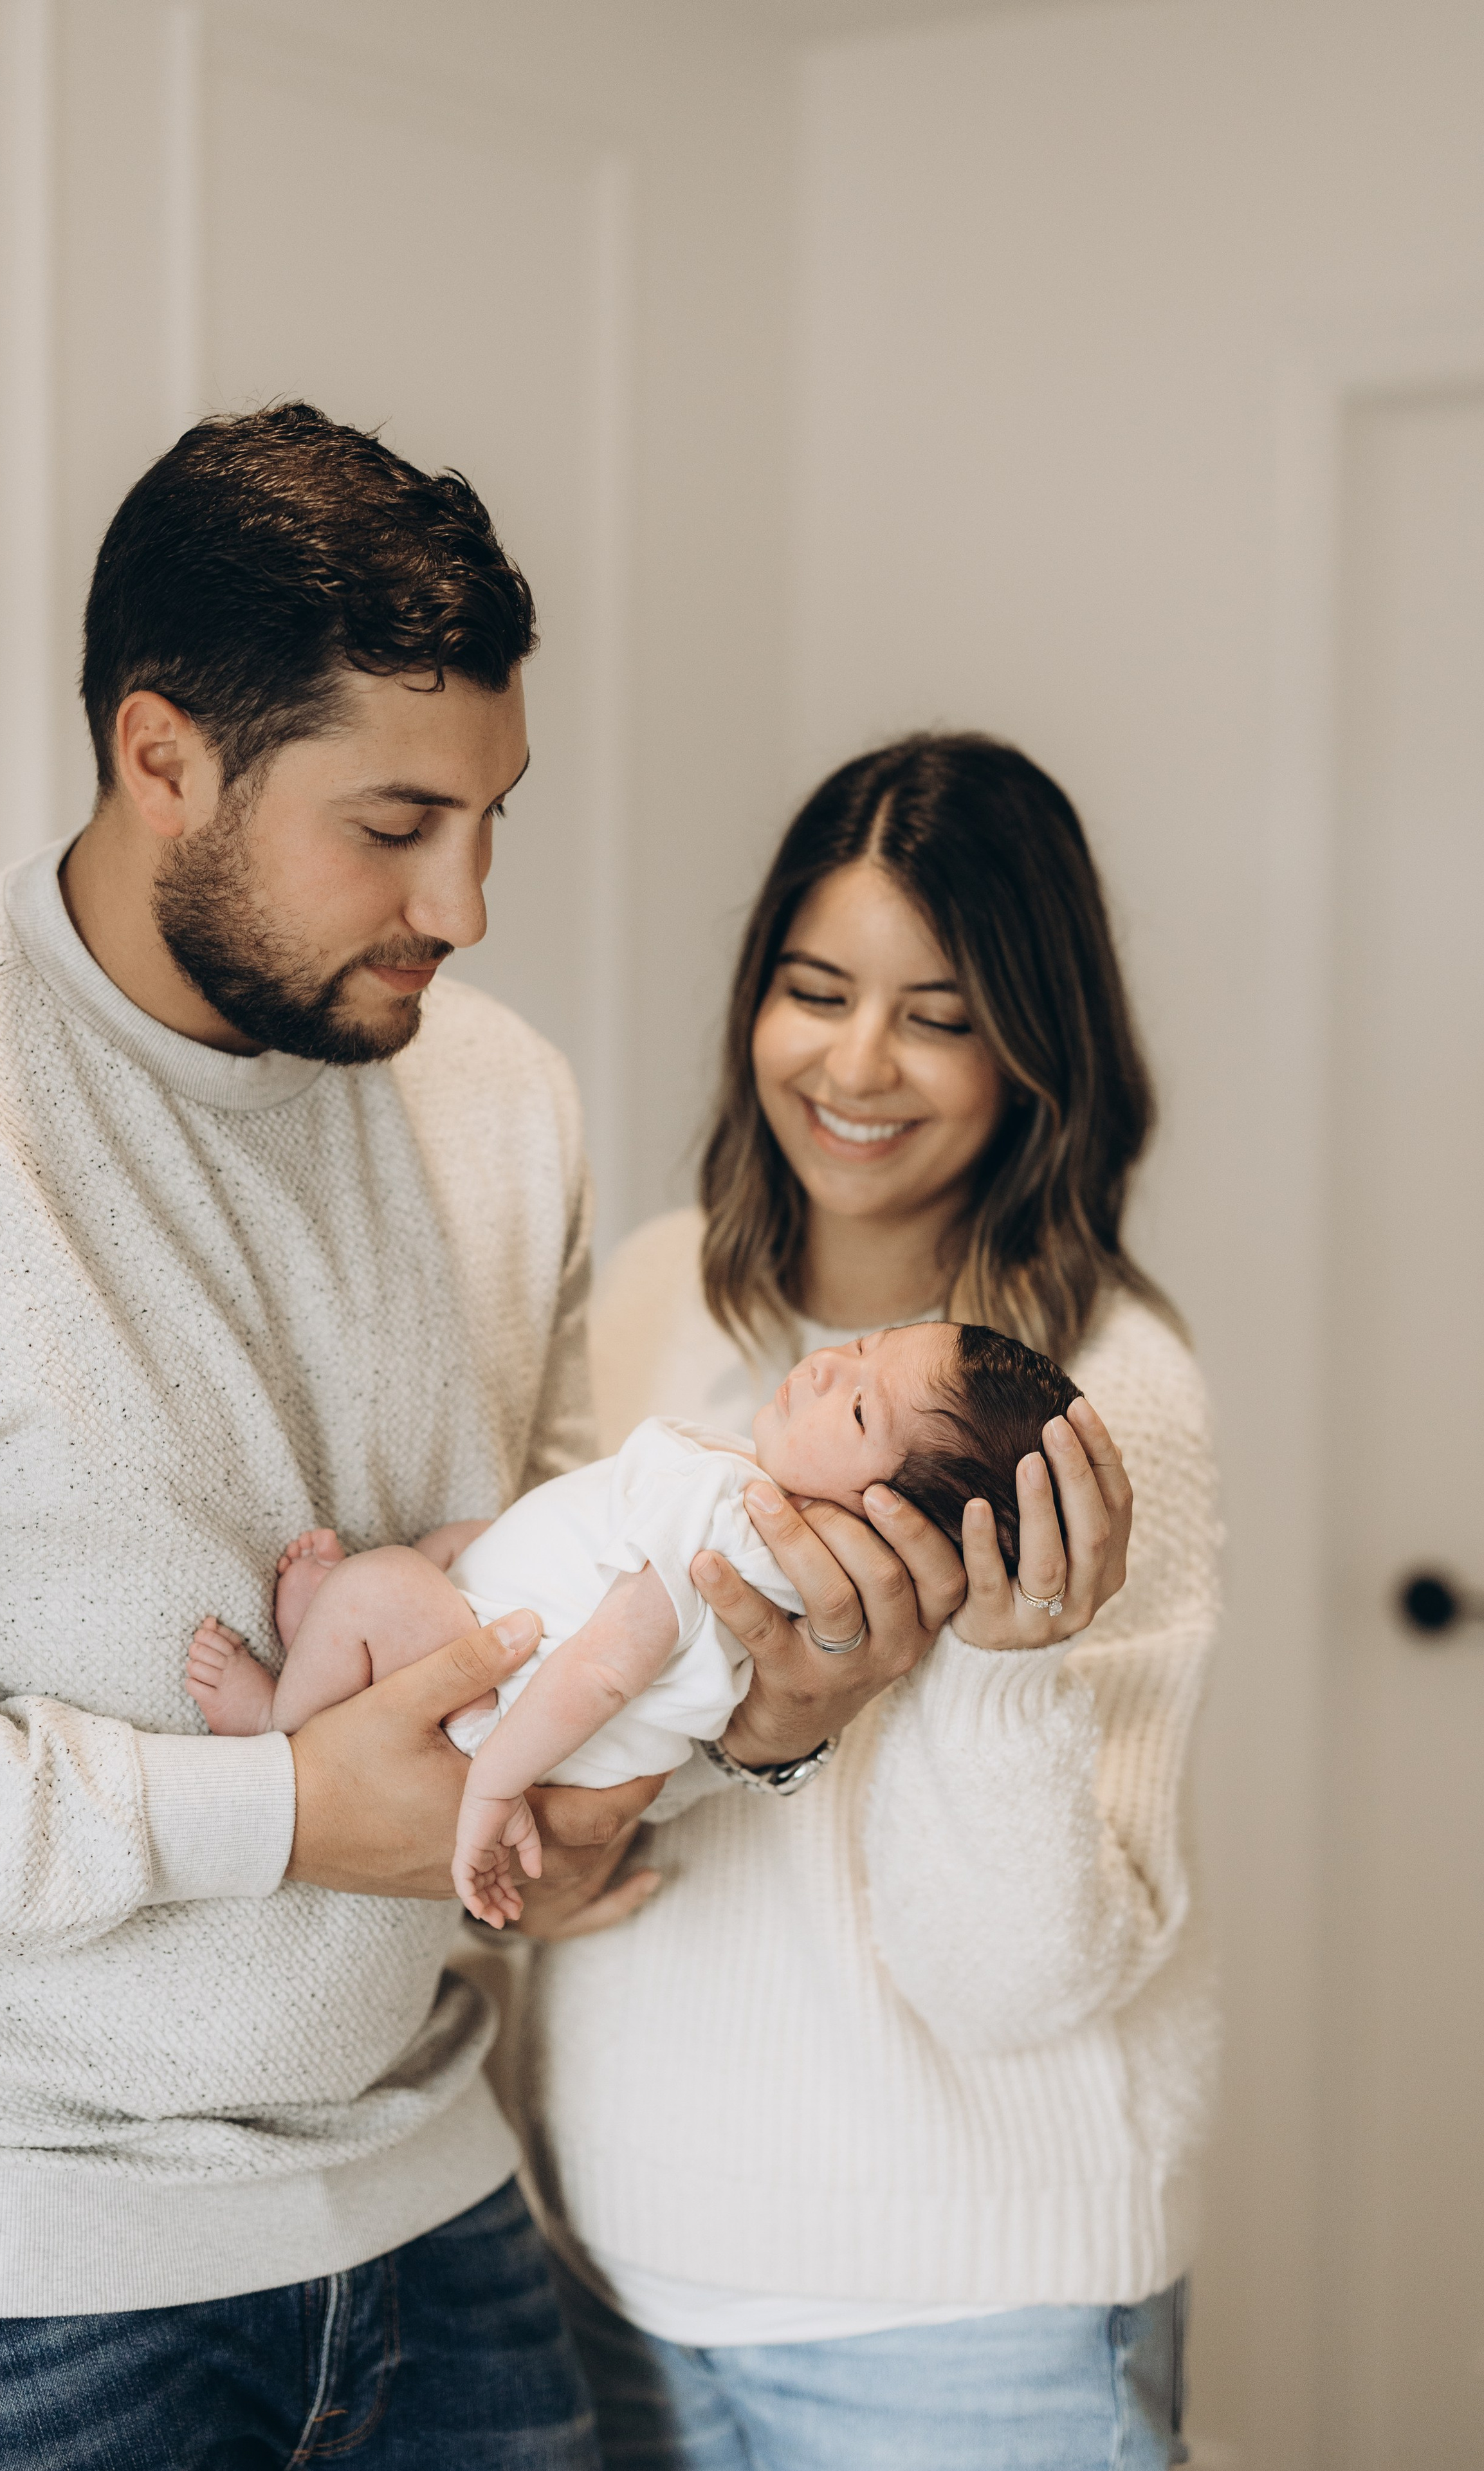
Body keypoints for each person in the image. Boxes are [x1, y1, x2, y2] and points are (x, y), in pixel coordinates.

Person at [0, 401, 668, 2469]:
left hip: (433, 2209)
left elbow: (551, 1571)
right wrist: (284, 1814)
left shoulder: (503, 1098)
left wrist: (598, 1782)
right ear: (161, 757)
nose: (464, 903)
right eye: (394, 827)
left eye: (494, 817)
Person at [520, 733, 1219, 2471]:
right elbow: (555, 1731)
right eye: (814, 989)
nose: (855, 1063)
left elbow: (1016, 1982)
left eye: (939, 1012)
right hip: (620, 2258)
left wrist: (992, 1671)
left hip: (968, 2312)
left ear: (1038, 1048)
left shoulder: (1100, 1399)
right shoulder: (653, 1297)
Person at [186, 1319, 1079, 1925]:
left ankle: (283, 1718)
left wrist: (495, 1785)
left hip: (519, 1711)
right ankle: (353, 1645)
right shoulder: (765, 1517)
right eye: (864, 1346)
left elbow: (608, 1669)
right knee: (466, 1541)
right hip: (537, 1680)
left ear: (889, 1515)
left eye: (857, 1410)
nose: (828, 1366)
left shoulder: (732, 1523)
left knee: (383, 1584)